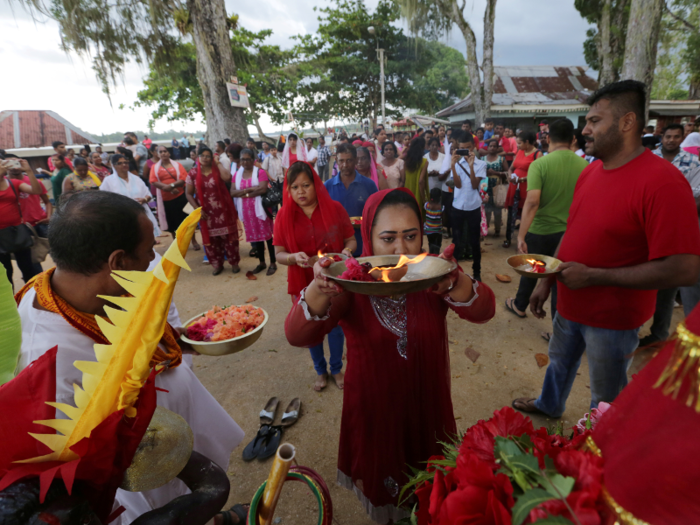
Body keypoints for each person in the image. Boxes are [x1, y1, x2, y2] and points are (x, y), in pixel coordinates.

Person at [13, 190, 244, 525]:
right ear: (118, 262)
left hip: (174, 443)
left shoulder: (83, 288)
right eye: (149, 251)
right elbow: (85, 481)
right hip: (142, 487)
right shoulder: (48, 365)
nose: (154, 259)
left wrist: (181, 341)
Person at [285, 188, 496, 523]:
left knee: (432, 490)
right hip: (375, 414)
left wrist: (455, 281)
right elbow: (297, 335)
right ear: (368, 239)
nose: (401, 250)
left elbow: (484, 311)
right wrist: (317, 288)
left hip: (428, 405)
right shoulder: (352, 283)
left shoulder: (431, 277)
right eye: (388, 238)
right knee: (389, 499)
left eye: (411, 236)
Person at [512, 80, 700, 419]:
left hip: (613, 319)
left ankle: (600, 450)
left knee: (605, 397)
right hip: (569, 304)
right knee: (559, 362)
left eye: (595, 121)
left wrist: (595, 276)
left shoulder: (664, 183)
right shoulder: (591, 170)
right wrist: (547, 279)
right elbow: (574, 231)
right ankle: (549, 404)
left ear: (627, 122)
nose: (584, 129)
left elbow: (685, 268)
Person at [274, 161, 355, 390]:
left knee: (336, 325)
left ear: (316, 184)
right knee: (311, 326)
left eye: (306, 185)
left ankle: (337, 368)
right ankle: (320, 370)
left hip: (333, 277)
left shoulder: (335, 209)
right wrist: (292, 258)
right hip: (302, 280)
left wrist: (347, 251)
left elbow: (350, 239)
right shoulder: (283, 216)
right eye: (295, 187)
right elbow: (279, 253)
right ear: (288, 189)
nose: (300, 191)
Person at [505, 119, 588, 336]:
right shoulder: (586, 166)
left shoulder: (540, 165)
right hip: (569, 234)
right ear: (573, 139)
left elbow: (532, 202)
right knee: (560, 281)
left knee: (533, 271)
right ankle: (558, 331)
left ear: (548, 138)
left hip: (541, 230)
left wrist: (521, 235)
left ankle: (520, 306)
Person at [641, 123, 700, 346]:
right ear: (662, 137)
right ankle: (632, 329)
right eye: (668, 136)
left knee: (666, 289)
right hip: (647, 230)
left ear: (682, 138)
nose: (671, 140)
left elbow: (697, 199)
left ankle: (658, 334)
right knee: (641, 281)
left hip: (676, 233)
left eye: (676, 137)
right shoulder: (649, 158)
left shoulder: (692, 162)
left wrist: (672, 216)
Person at [185, 147, 240, 275]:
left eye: (208, 156)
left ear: (212, 158)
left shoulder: (217, 170)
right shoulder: (193, 173)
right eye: (202, 156)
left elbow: (228, 178)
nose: (205, 158)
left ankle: (234, 263)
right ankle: (217, 264)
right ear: (198, 157)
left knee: (230, 238)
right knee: (212, 240)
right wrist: (197, 210)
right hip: (206, 213)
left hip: (224, 210)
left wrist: (218, 163)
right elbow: (188, 193)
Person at [325, 143, 378, 256]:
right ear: (336, 161)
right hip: (337, 246)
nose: (345, 165)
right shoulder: (327, 186)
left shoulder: (369, 185)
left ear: (355, 160)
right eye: (341, 161)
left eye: (349, 160)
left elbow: (377, 213)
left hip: (363, 245)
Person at [230, 148, 276, 276]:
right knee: (257, 237)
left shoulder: (260, 172)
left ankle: (273, 262)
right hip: (246, 211)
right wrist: (249, 191)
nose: (245, 162)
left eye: (248, 159)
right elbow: (232, 192)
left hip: (260, 209)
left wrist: (243, 193)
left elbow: (262, 189)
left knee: (267, 236)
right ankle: (262, 263)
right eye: (242, 159)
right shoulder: (236, 175)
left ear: (253, 160)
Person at [449, 132, 487, 280]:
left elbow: (474, 185)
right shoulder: (457, 163)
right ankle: (454, 270)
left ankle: (476, 271)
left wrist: (471, 166)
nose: (465, 151)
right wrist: (452, 166)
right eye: (461, 148)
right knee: (456, 241)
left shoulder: (481, 164)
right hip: (457, 207)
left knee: (474, 241)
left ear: (473, 147)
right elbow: (457, 185)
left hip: (473, 208)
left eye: (468, 148)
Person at [0, 158, 43, 286]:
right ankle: (11, 302)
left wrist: (29, 171)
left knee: (27, 268)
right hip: (0, 236)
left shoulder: (14, 183)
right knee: (6, 271)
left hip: (17, 231)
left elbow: (36, 191)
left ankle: (30, 298)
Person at [149, 145, 200, 250]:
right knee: (171, 222)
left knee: (187, 220)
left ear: (169, 153)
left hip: (180, 196)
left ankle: (193, 240)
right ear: (158, 154)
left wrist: (172, 186)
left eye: (165, 151)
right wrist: (168, 189)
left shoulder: (177, 165)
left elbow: (183, 178)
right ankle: (176, 243)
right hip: (165, 199)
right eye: (161, 152)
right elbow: (153, 181)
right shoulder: (155, 167)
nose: (163, 153)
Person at [101, 154, 161, 238]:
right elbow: (103, 200)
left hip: (140, 213)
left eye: (126, 162)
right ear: (114, 165)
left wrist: (144, 199)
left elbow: (148, 195)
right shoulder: (108, 181)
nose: (124, 165)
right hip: (121, 216)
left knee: (144, 238)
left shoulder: (136, 179)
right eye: (120, 163)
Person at [503, 131, 542, 248]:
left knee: (527, 212)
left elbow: (539, 174)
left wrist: (523, 179)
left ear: (527, 142)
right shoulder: (520, 152)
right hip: (514, 186)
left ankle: (525, 239)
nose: (518, 146)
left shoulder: (538, 154)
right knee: (511, 212)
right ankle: (508, 238)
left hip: (528, 188)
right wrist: (510, 175)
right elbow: (512, 168)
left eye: (519, 143)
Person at [8, 161, 52, 238]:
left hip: (41, 223)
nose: (14, 167)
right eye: (9, 164)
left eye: (17, 163)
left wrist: (49, 217)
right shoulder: (3, 185)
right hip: (19, 226)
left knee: (49, 247)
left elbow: (47, 202)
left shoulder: (35, 182)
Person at [482, 138, 509, 237]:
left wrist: (496, 173)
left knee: (497, 208)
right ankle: (485, 228)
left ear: (498, 148)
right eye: (490, 146)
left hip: (497, 186)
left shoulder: (501, 159)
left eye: (494, 146)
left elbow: (507, 173)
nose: (492, 148)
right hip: (485, 187)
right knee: (486, 209)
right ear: (487, 147)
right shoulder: (482, 159)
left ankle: (497, 230)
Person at [403, 137, 429, 220]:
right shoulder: (424, 161)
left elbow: (404, 179)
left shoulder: (406, 161)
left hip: (408, 193)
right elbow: (421, 181)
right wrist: (424, 199)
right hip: (418, 193)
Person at [425, 187, 444, 254]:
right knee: (437, 245)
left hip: (429, 231)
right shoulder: (441, 207)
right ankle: (436, 255)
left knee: (430, 244)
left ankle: (431, 254)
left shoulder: (427, 205)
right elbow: (443, 218)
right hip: (438, 231)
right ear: (440, 197)